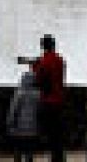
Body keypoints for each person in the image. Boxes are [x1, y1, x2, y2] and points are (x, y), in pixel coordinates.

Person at [32, 34, 66, 162]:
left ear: (43, 46)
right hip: (59, 99)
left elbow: (39, 80)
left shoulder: (43, 61)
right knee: (58, 134)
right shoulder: (60, 60)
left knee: (49, 134)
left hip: (48, 101)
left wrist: (35, 67)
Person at [7, 71, 41, 162]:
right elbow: (39, 112)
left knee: (18, 151)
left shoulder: (19, 94)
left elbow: (13, 110)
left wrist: (10, 123)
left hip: (19, 128)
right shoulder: (38, 95)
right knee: (29, 152)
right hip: (33, 129)